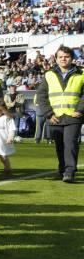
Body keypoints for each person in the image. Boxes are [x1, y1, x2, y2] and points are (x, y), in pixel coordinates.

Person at [35, 46, 84, 183]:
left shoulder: (81, 74)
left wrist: (80, 110)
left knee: (70, 144)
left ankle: (69, 172)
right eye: (60, 57)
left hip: (73, 116)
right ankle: (62, 170)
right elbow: (41, 96)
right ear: (56, 59)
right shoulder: (49, 75)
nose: (63, 59)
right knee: (59, 146)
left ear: (72, 58)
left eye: (66, 56)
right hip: (55, 116)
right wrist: (49, 114)